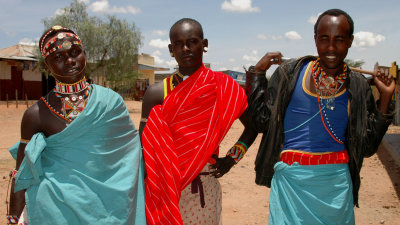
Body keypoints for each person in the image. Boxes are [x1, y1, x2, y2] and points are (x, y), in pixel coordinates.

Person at [213, 9, 395, 224]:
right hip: (291, 183)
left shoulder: (357, 85)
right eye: (324, 38)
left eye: (339, 39)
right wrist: (258, 74)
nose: (330, 47)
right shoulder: (289, 75)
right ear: (315, 39)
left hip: (335, 188)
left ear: (350, 41)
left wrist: (385, 98)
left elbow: (367, 148)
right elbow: (261, 122)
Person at [7, 25, 145, 225]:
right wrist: (13, 219)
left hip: (109, 206)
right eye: (58, 57)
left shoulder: (110, 101)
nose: (70, 61)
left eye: (75, 52)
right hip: (54, 209)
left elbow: (129, 155)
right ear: (46, 65)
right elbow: (21, 173)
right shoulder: (35, 115)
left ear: (85, 54)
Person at [139, 18, 248, 225]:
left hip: (204, 187)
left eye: (192, 41)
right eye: (178, 44)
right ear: (171, 49)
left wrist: (231, 160)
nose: (186, 48)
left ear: (204, 44)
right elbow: (143, 147)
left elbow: (252, 127)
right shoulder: (156, 93)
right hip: (163, 189)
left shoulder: (222, 87)